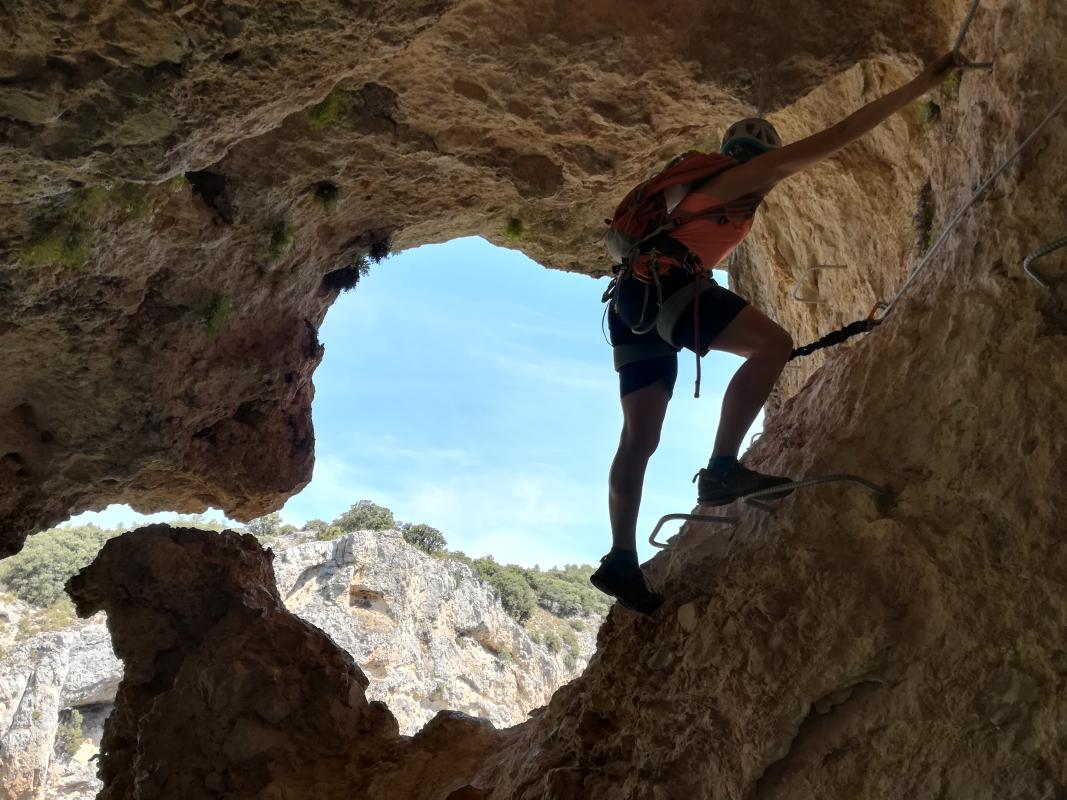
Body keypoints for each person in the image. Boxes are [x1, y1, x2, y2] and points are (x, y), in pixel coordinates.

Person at [590, 52, 960, 614]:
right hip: (669, 288)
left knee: (638, 440)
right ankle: (720, 469)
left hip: (634, 301)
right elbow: (837, 134)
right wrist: (921, 83)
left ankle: (620, 558)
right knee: (773, 345)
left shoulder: (700, 193)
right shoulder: (744, 178)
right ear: (760, 156)